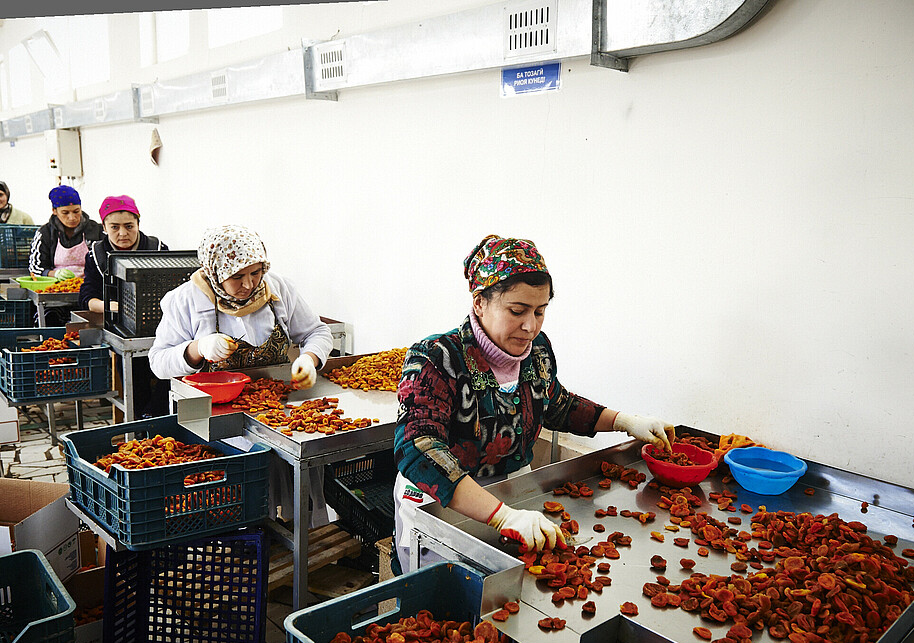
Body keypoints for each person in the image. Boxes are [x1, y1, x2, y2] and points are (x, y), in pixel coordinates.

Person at [393, 234, 675, 570]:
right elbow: (417, 448)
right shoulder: (436, 358)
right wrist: (501, 516)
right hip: (441, 503)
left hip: (514, 495)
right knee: (445, 606)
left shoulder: (537, 351)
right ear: (480, 302)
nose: (530, 326)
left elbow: (556, 403)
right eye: (517, 311)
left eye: (540, 312)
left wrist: (625, 422)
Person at [149, 224, 333, 523]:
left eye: (256, 271)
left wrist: (310, 358)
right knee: (242, 494)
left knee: (295, 474)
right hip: (214, 419)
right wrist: (197, 349)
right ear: (214, 272)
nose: (249, 284)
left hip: (275, 410)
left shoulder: (278, 290)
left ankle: (293, 529)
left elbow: (316, 331)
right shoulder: (186, 300)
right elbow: (158, 362)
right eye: (237, 276)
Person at [80, 195, 169, 418]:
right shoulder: (96, 255)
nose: (122, 233)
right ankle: (140, 420)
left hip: (160, 325)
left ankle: (158, 416)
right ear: (104, 227)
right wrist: (114, 307)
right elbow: (87, 296)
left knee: (169, 368)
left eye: (129, 226)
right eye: (114, 227)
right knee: (133, 370)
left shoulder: (157, 249)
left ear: (138, 223)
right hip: (120, 326)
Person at [29, 185, 103, 326]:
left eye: (76, 211)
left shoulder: (96, 230)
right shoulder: (44, 233)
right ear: (54, 211)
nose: (72, 217)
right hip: (56, 296)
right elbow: (35, 267)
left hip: (90, 293)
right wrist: (53, 274)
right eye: (65, 213)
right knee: (51, 321)